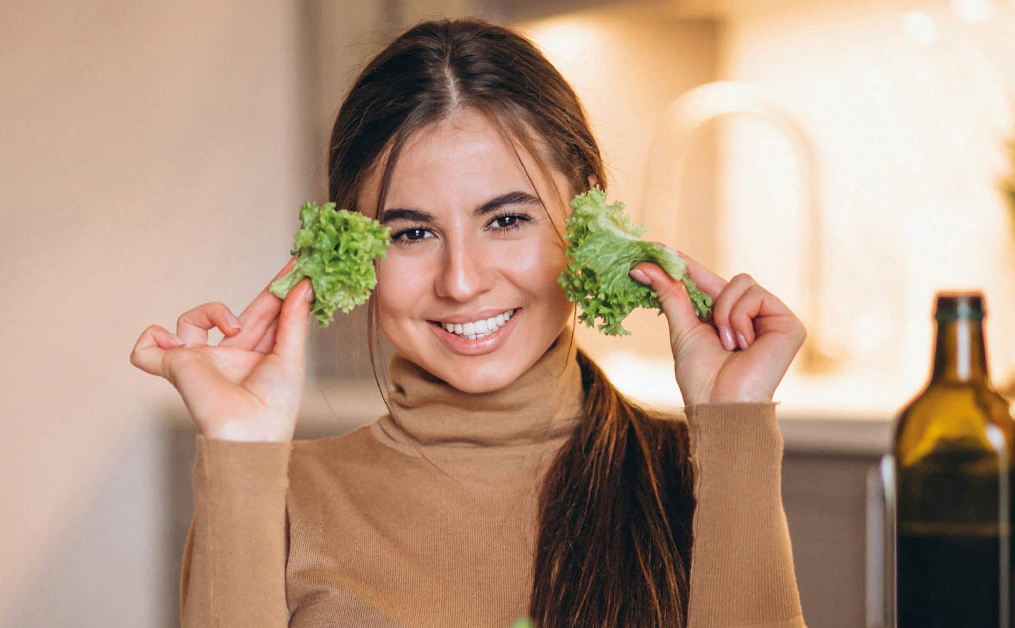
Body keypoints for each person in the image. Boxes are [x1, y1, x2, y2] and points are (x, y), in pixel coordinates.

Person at [130, 17, 807, 628]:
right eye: (413, 233)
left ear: (588, 218)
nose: (461, 281)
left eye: (506, 220)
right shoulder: (281, 493)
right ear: (353, 252)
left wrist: (736, 425)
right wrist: (240, 450)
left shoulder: (692, 473)